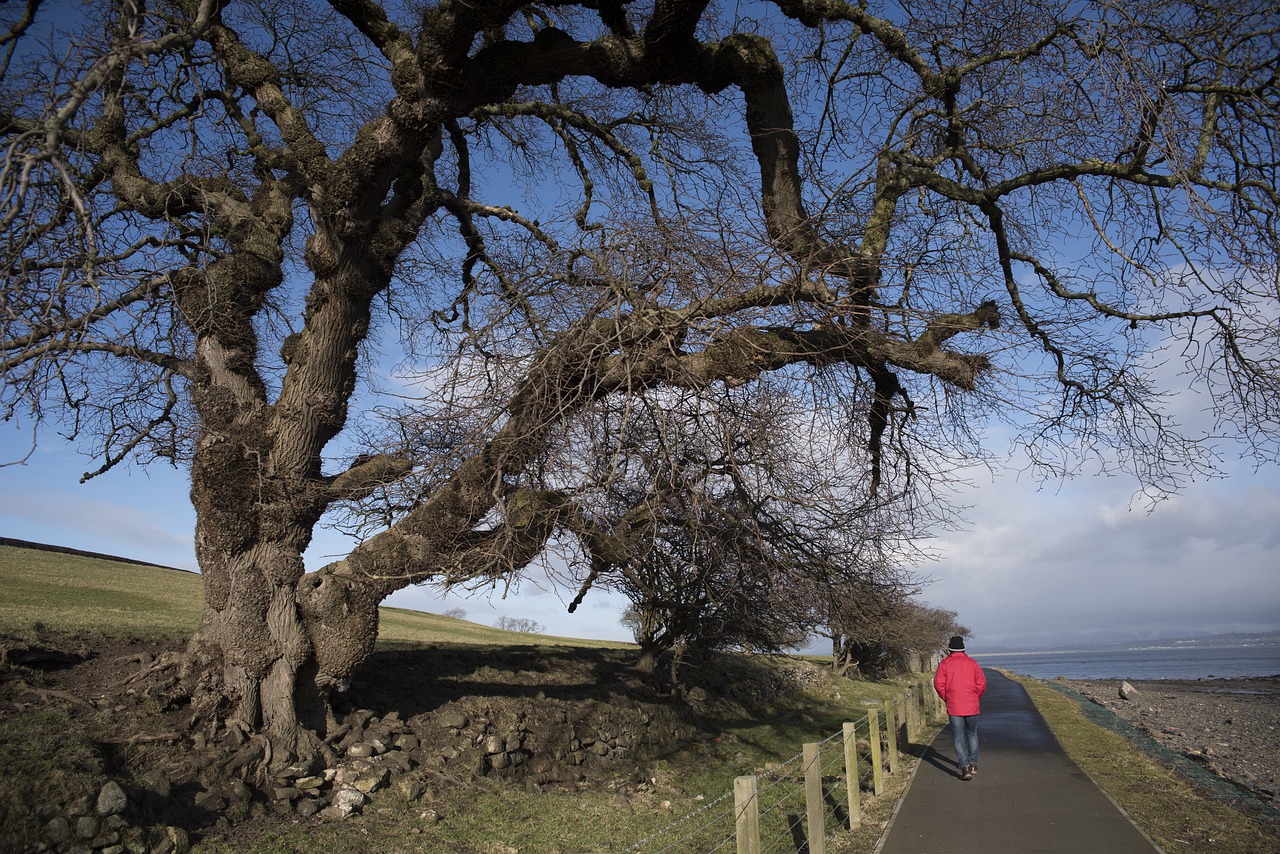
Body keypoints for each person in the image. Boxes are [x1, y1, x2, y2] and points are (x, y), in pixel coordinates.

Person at [933, 635, 986, 781]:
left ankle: (964, 766)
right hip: (972, 705)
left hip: (954, 705)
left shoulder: (945, 664)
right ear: (963, 648)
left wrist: (946, 697)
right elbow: (981, 683)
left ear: (950, 649)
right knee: (972, 734)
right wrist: (975, 696)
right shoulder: (972, 663)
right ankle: (974, 763)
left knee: (958, 736)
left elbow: (938, 684)